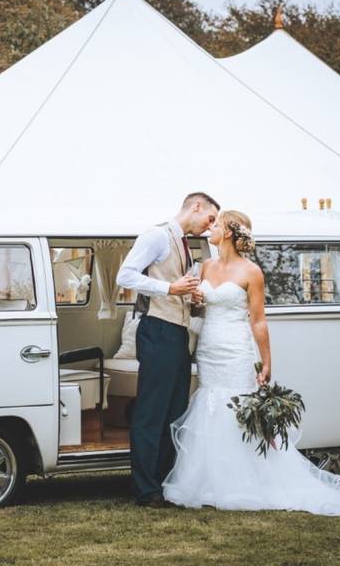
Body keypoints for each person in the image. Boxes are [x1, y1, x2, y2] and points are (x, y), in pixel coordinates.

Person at [162, 210, 340, 515]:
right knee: (211, 405)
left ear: (230, 233)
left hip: (236, 347)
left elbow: (258, 321)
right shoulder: (206, 266)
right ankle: (212, 480)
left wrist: (266, 362)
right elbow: (200, 310)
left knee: (236, 408)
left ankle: (247, 481)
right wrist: (196, 302)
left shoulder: (251, 271)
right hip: (209, 347)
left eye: (217, 224)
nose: (211, 228)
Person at [116, 192, 220, 507]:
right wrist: (169, 288)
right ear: (196, 206)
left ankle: (164, 483)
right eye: (210, 218)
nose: (209, 226)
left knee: (174, 411)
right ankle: (145, 490)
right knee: (151, 412)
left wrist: (191, 298)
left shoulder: (185, 245)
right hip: (157, 330)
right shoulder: (157, 236)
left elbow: (178, 288)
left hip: (177, 333)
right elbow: (125, 275)